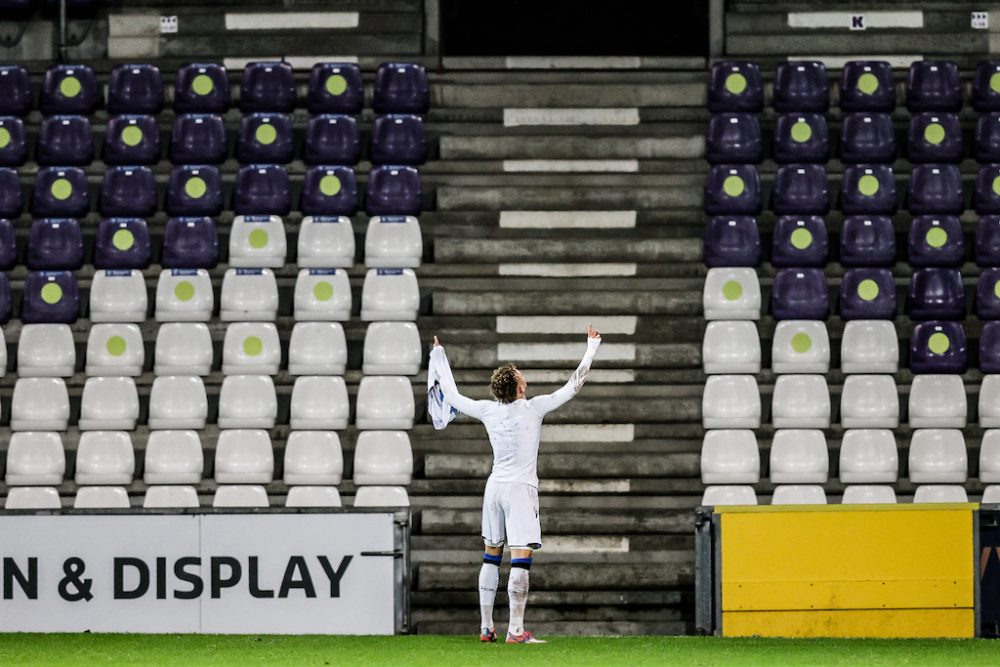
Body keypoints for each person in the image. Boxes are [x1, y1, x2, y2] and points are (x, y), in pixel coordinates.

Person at [429, 325, 602, 644]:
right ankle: (516, 630)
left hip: (494, 488)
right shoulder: (533, 407)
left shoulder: (487, 410)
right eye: (522, 375)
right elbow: (573, 386)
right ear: (519, 388)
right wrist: (591, 348)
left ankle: (485, 627)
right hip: (520, 489)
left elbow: (451, 395)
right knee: (520, 556)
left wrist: (438, 356)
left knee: (491, 555)